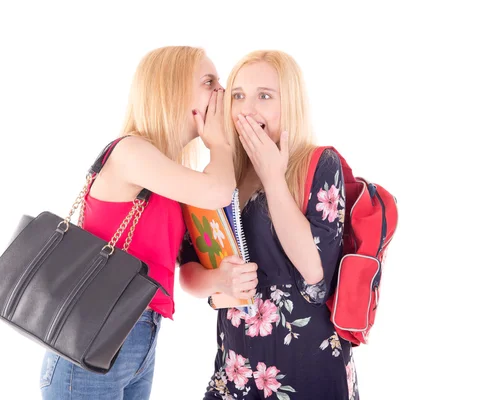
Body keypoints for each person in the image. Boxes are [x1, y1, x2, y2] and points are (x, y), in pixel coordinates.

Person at [40, 45, 240, 400]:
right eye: (209, 82)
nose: (220, 92)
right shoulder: (130, 152)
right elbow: (219, 191)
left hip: (138, 338)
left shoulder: (167, 175)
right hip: (93, 339)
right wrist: (220, 145)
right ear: (171, 90)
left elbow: (181, 270)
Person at [180, 50, 359, 400]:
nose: (247, 109)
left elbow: (314, 273)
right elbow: (188, 269)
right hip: (236, 370)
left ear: (288, 104)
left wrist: (273, 177)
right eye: (238, 95)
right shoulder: (219, 176)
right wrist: (218, 280)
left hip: (310, 369)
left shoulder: (320, 163)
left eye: (264, 96)